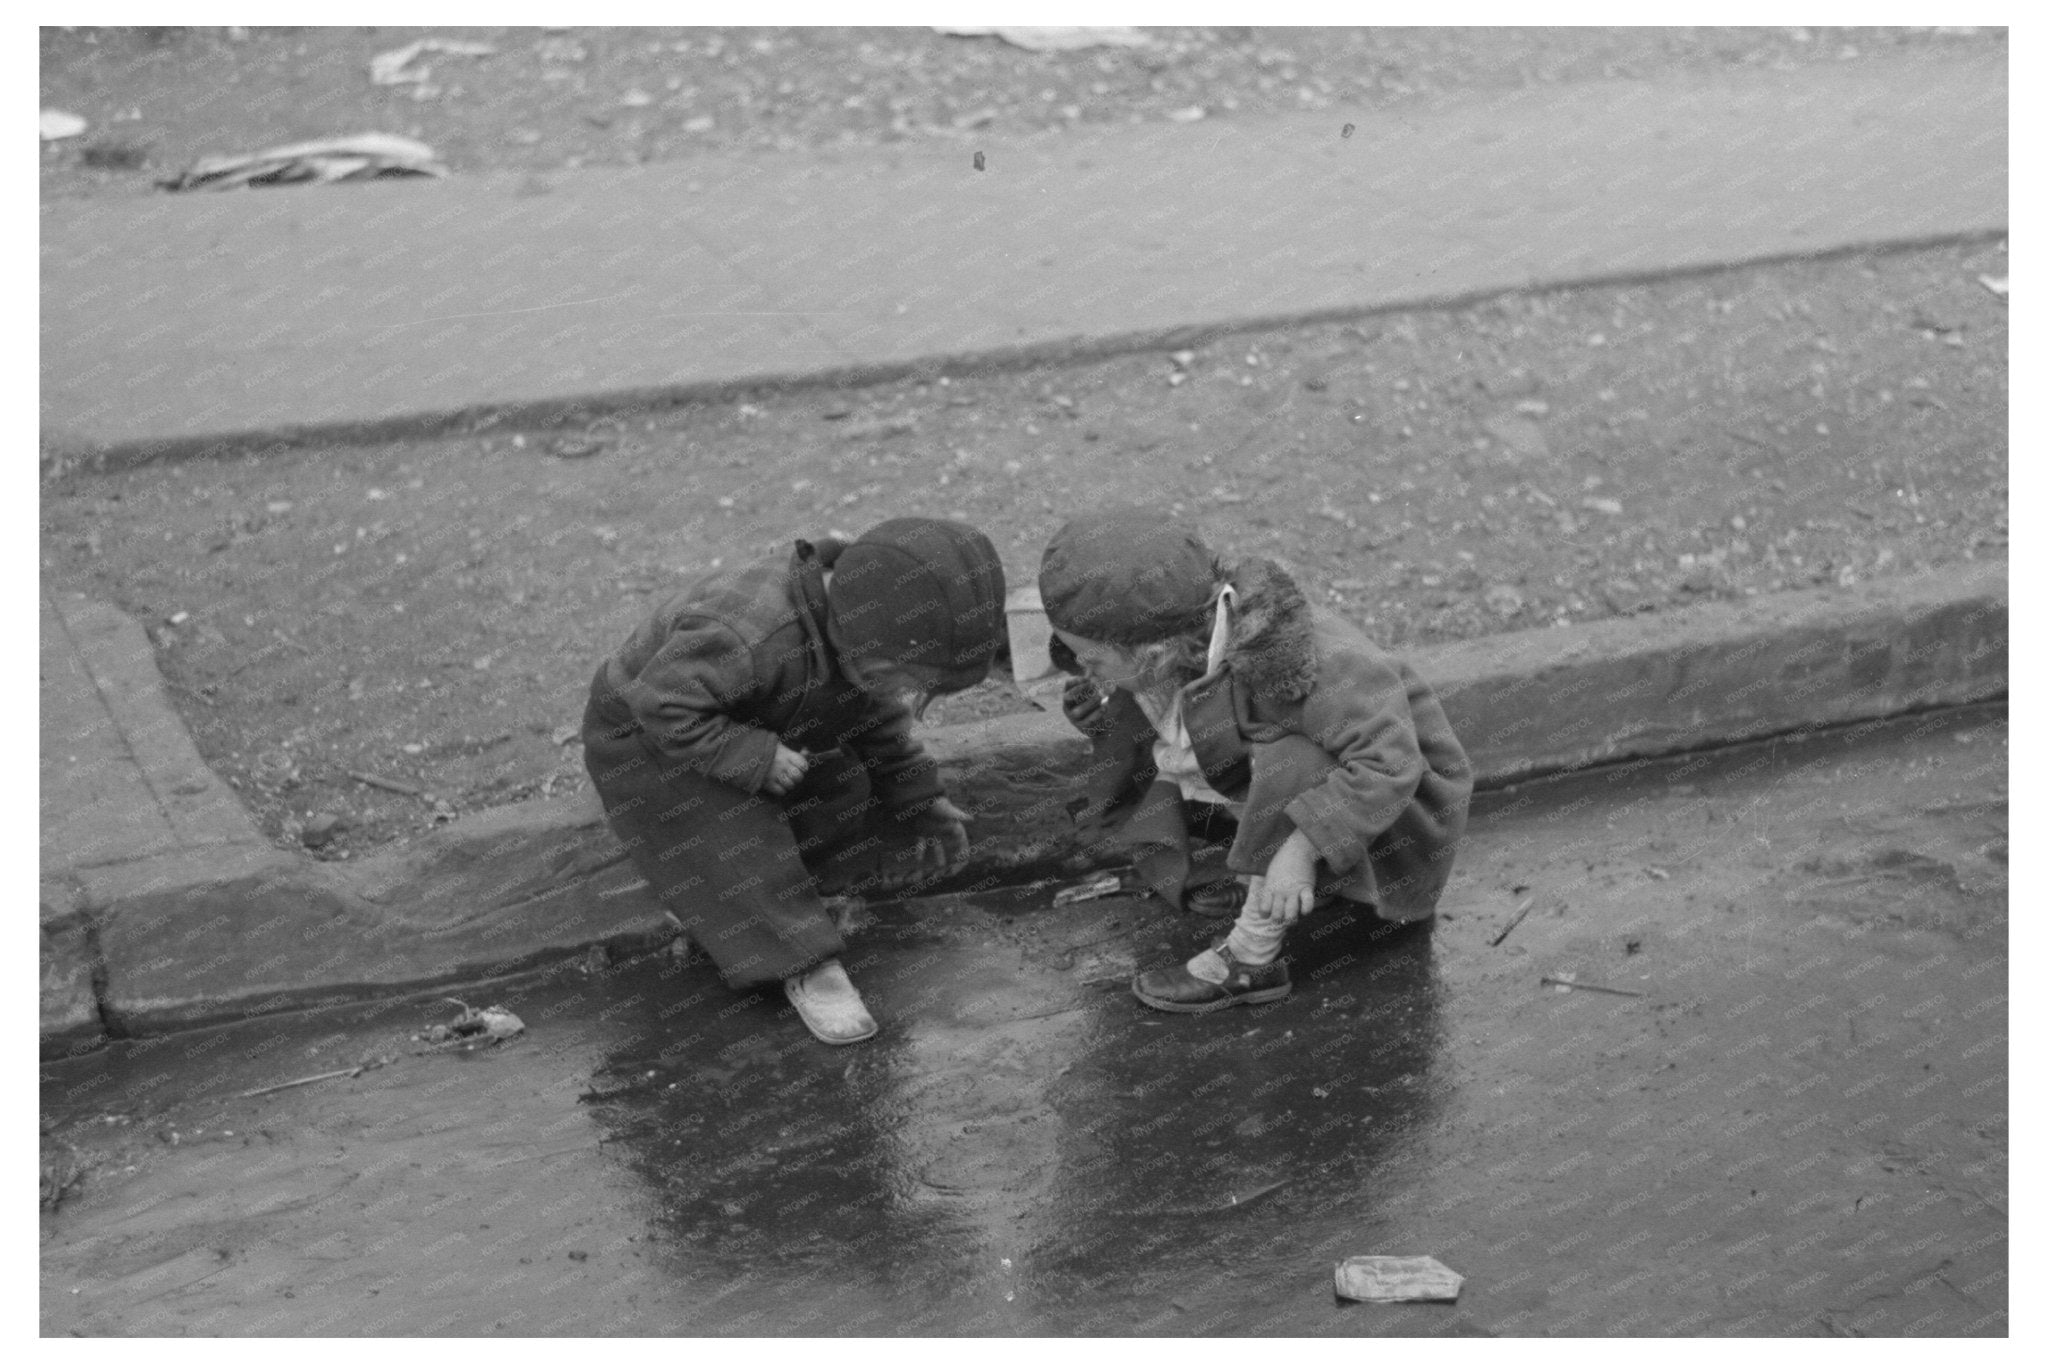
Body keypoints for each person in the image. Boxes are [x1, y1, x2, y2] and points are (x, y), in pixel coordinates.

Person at [582, 517, 1006, 1045]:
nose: (901, 694)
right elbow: (660, 703)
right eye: (894, 679)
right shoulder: (747, 633)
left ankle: (817, 898)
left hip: (749, 712)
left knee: (841, 782)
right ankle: (800, 960)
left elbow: (876, 723)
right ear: (853, 637)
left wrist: (920, 798)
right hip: (649, 732)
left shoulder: (859, 633)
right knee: (733, 836)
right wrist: (752, 755)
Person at [1038, 509, 1472, 1013]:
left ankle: (1252, 956)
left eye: (1091, 658)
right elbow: (1175, 734)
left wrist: (1303, 849)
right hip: (1333, 803)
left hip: (1401, 821)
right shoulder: (1185, 643)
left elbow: (1391, 763)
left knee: (1291, 757)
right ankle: (1249, 874)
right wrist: (1103, 717)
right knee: (1136, 718)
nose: (1082, 670)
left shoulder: (1313, 662)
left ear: (1155, 651)